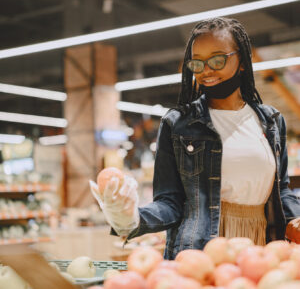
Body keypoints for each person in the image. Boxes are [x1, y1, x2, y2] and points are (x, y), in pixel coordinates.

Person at [90, 17, 300, 260]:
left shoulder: (272, 121)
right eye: (197, 64)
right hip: (202, 249)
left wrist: (295, 216)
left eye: (217, 60)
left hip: (263, 247)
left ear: (242, 60)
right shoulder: (178, 124)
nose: (206, 70)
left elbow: (281, 189)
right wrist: (131, 218)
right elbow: (170, 202)